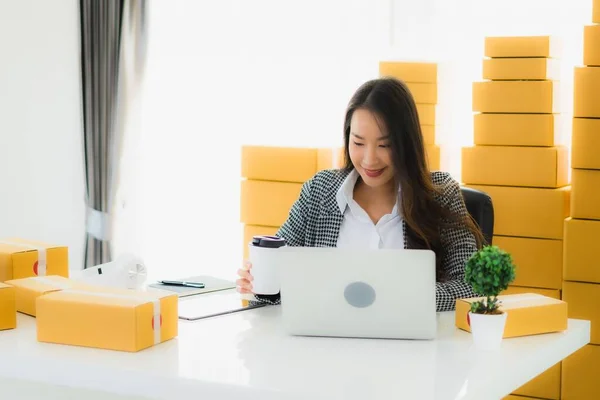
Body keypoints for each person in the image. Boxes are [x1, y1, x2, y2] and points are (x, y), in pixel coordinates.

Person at [237, 77, 485, 312]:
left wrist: (398, 296)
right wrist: (261, 283)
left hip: (411, 351)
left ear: (406, 144)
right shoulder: (319, 192)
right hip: (326, 347)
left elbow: (471, 287)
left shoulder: (441, 194)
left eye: (384, 145)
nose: (369, 159)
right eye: (358, 143)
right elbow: (281, 270)